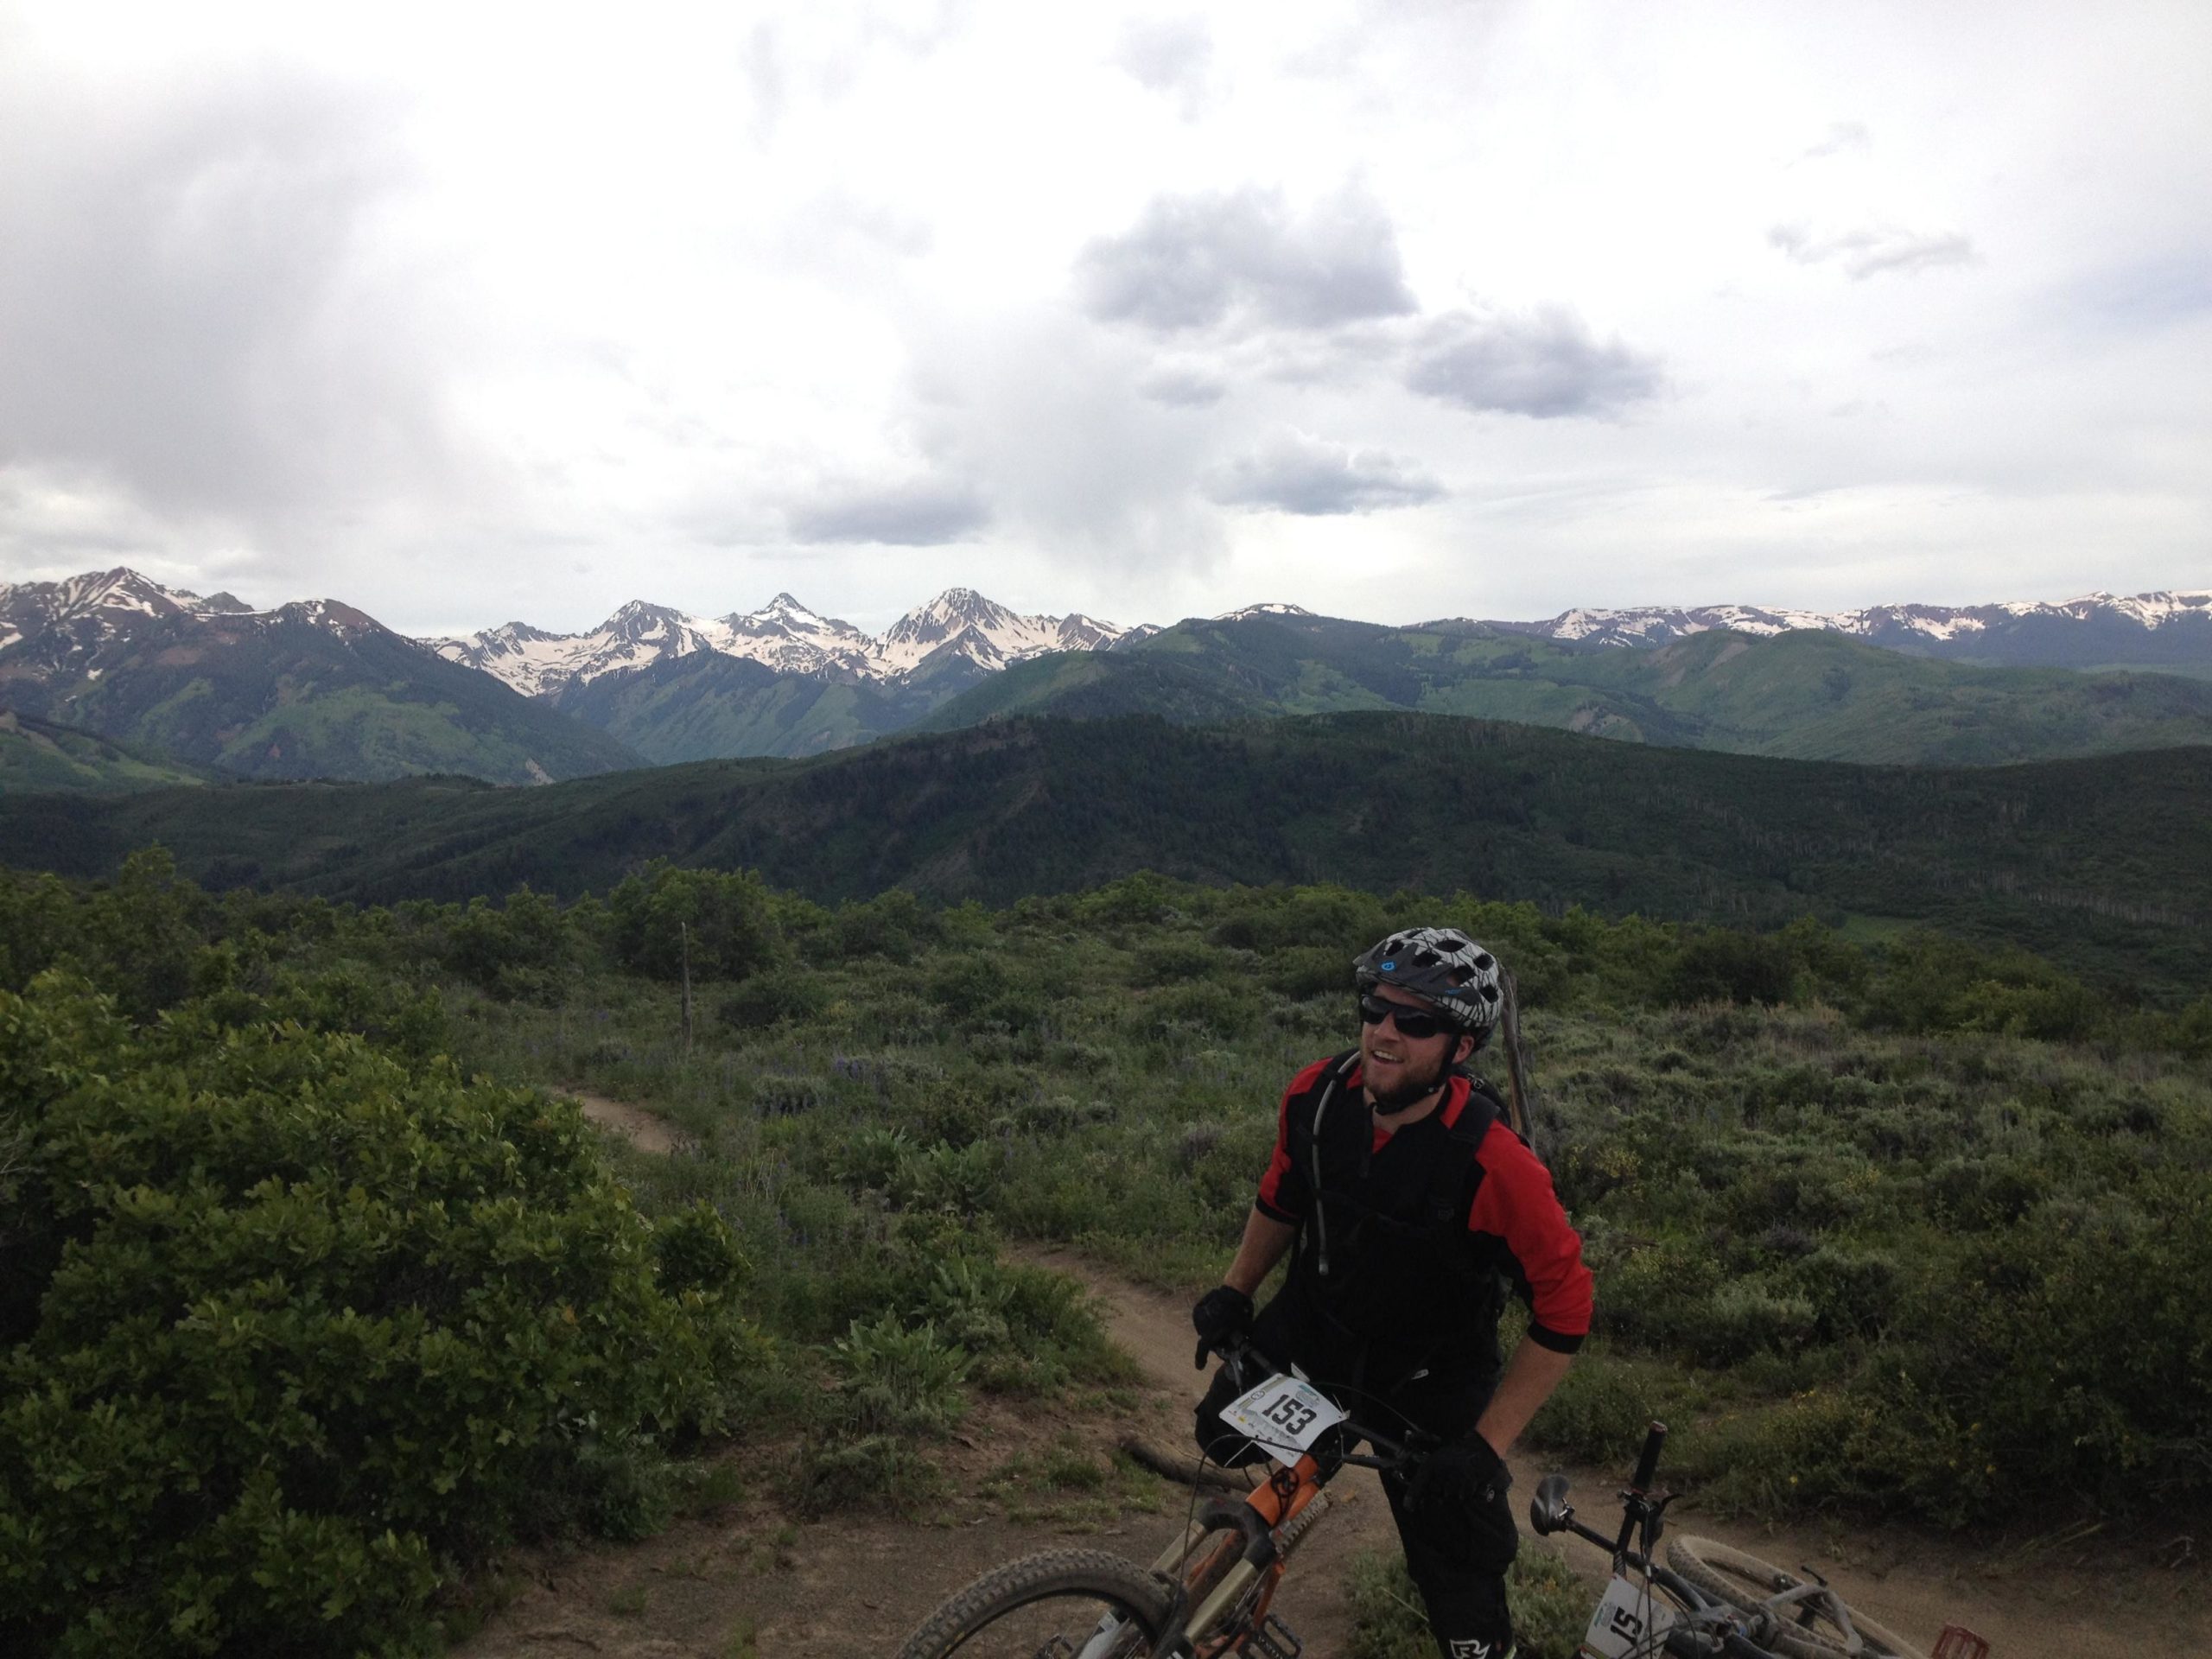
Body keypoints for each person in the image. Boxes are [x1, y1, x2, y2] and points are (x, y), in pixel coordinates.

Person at [1191, 927, 1594, 1659]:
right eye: (1376, 1008)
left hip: (1431, 1381)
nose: (1384, 1032)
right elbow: (1282, 1197)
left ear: (1461, 1047)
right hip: (1321, 1330)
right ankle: (1257, 1555)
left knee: (1460, 1571)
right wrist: (1234, 1293)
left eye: (1416, 1022)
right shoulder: (1317, 1098)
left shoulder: (1496, 1166)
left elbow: (1566, 1311)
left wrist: (1485, 1445)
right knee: (1218, 1432)